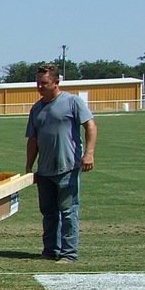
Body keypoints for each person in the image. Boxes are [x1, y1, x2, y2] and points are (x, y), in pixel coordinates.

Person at [25, 63, 97, 263]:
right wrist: (29, 167)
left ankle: (69, 253)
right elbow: (33, 140)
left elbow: (90, 126)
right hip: (45, 170)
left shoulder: (72, 102)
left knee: (68, 212)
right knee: (48, 213)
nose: (39, 86)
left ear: (56, 82)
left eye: (44, 83)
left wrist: (89, 154)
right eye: (38, 83)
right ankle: (50, 250)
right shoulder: (36, 109)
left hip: (67, 167)